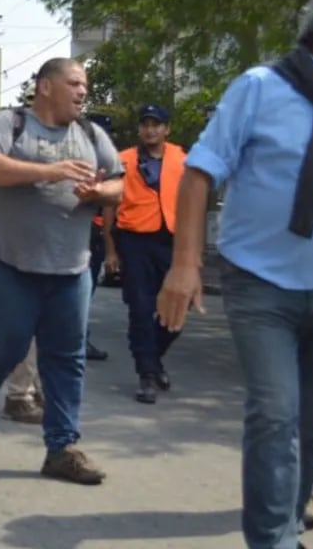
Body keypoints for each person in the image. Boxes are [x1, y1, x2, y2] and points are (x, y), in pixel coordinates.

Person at [157, 0, 313, 549]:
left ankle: (286, 525)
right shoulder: (259, 89)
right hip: (260, 281)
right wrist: (185, 265)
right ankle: (273, 541)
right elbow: (200, 173)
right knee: (275, 415)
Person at [0, 57, 122, 485]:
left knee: (66, 359)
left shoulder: (91, 134)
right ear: (46, 86)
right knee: (0, 350)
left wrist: (99, 191)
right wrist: (51, 171)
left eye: (85, 85)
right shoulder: (9, 125)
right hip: (12, 264)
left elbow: (120, 183)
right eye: (76, 83)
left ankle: (61, 448)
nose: (83, 91)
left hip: (71, 268)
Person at [103, 104, 186, 404]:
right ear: (139, 129)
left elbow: (192, 201)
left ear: (167, 129)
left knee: (179, 305)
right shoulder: (123, 160)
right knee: (140, 307)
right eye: (145, 124)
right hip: (133, 241)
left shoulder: (181, 159)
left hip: (171, 240)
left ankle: (152, 356)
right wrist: (111, 250)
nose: (150, 130)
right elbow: (109, 207)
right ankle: (147, 375)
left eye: (156, 124)